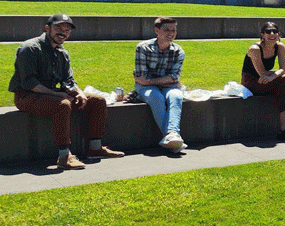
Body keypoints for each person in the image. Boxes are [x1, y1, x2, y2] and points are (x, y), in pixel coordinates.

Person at [8, 13, 124, 169]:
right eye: (58, 28)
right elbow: (29, 83)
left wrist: (79, 93)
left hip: (51, 95)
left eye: (67, 30)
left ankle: (95, 148)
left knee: (97, 101)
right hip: (26, 96)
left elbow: (68, 80)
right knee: (63, 104)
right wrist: (57, 94)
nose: (63, 32)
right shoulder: (30, 48)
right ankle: (64, 156)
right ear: (47, 28)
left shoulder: (62, 53)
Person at [133, 16, 186, 152]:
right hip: (147, 88)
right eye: (167, 29)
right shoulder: (143, 47)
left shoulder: (178, 50)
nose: (171, 33)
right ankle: (173, 137)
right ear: (157, 30)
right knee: (156, 97)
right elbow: (140, 78)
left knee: (176, 96)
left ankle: (171, 137)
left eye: (174, 30)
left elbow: (174, 77)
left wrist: (151, 81)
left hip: (166, 86)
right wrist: (164, 80)